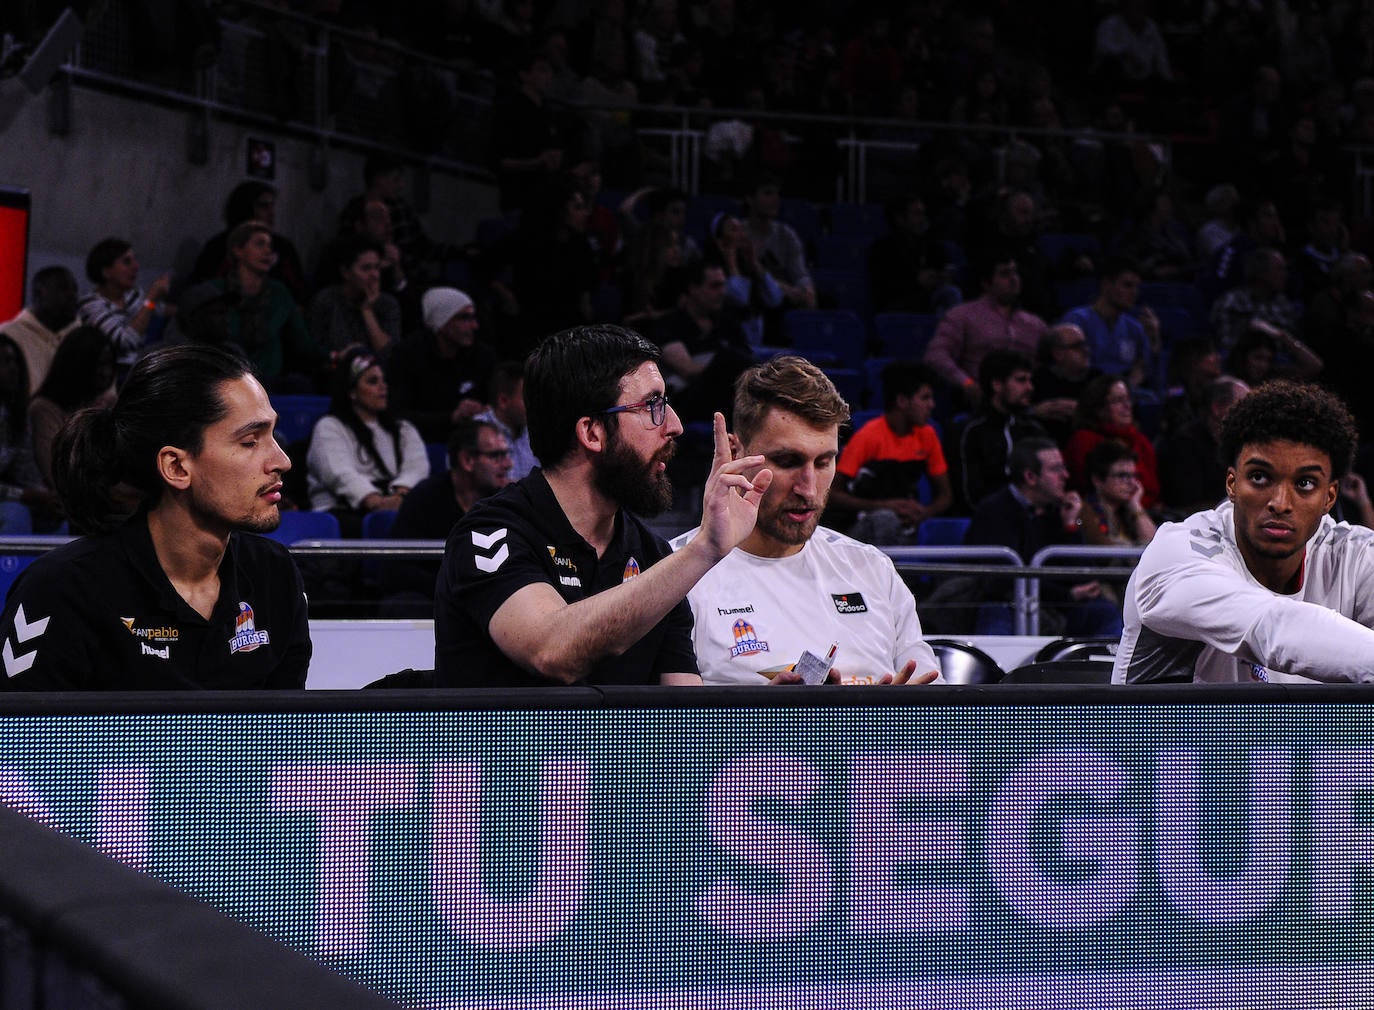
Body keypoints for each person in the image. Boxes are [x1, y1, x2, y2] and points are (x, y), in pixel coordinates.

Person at [433, 323, 773, 688]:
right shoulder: (489, 534)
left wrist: (766, 707)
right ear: (592, 432)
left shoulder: (652, 556)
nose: (675, 425)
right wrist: (704, 548)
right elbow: (552, 652)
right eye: (653, 405)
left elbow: (683, 718)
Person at [0, 345, 311, 689]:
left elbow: (284, 737)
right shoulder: (59, 590)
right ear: (176, 466)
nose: (282, 461)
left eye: (273, 434)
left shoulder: (275, 575)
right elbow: (20, 740)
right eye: (250, 441)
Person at [671, 356, 940, 685]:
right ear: (735, 451)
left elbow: (932, 706)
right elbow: (658, 729)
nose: (808, 488)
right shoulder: (675, 576)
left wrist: (894, 718)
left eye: (824, 461)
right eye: (788, 460)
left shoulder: (872, 569)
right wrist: (772, 723)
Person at [1114, 381, 1374, 683]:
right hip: (1168, 730)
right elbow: (1273, 628)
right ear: (1232, 484)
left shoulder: (1356, 555)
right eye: (1260, 477)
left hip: (1291, 729)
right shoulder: (1178, 554)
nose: (1280, 503)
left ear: (1329, 497)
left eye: (1305, 483)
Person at [964, 436, 1122, 638]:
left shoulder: (1058, 510)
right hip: (1006, 603)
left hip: (1053, 604)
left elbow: (1083, 576)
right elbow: (1000, 582)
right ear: (1031, 477)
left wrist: (1071, 525)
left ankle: (1102, 669)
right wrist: (1067, 595)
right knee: (997, 613)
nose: (1065, 475)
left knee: (1104, 612)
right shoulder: (994, 511)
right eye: (1056, 469)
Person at [176, 222, 327, 392]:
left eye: (270, 246)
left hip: (268, 382)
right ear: (238, 250)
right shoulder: (215, 292)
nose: (268, 251)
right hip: (227, 380)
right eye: (259, 244)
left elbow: (304, 343)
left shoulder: (279, 292)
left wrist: (335, 355)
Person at [380, 419, 513, 605]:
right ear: (467, 460)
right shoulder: (425, 498)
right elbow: (398, 569)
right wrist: (456, 589)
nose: (508, 464)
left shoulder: (509, 502)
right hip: (436, 600)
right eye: (496, 455)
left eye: (507, 454)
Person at [306, 347, 429, 536]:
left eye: (384, 381)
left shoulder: (403, 429)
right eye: (372, 381)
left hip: (396, 506)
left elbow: (417, 466)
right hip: (343, 514)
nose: (383, 387)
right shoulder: (329, 427)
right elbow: (339, 473)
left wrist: (401, 495)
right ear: (352, 391)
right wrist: (374, 501)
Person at [830, 360, 952, 544]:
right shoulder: (868, 436)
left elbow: (945, 496)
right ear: (902, 401)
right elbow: (832, 495)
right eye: (925, 398)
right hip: (864, 526)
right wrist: (882, 507)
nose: (932, 405)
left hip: (908, 524)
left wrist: (923, 513)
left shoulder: (928, 435)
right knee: (885, 520)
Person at [923, 254, 1048, 408]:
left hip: (1027, 400)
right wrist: (967, 383)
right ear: (986, 283)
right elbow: (936, 356)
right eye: (1004, 274)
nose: (1014, 279)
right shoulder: (962, 316)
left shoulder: (1035, 324)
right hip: (981, 401)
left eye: (1015, 273)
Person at [387, 287, 497, 443]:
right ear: (442, 322)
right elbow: (397, 415)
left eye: (474, 317)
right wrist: (451, 417)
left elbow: (497, 403)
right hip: (421, 443)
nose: (475, 325)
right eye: (465, 318)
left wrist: (485, 411)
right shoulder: (406, 355)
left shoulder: (483, 355)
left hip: (475, 443)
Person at [944, 349, 1048, 513]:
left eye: (1030, 380)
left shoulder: (1033, 430)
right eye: (1021, 380)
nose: (1030, 387)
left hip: (1034, 519)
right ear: (997, 385)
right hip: (989, 525)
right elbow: (968, 497)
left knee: (1078, 520)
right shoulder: (969, 432)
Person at [28, 325, 117, 488]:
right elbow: (54, 473)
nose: (105, 373)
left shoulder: (110, 403)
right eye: (99, 366)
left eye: (109, 365)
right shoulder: (44, 409)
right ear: (77, 366)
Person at [1057, 257, 1159, 388]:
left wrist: (1154, 340)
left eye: (1136, 287)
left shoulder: (1135, 328)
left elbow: (1145, 372)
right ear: (1106, 285)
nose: (1134, 293)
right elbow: (1068, 370)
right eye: (1127, 285)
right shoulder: (1076, 320)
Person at [1064, 374, 1161, 509]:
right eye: (1118, 400)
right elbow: (1086, 489)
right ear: (1098, 408)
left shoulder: (1141, 441)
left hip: (1144, 513)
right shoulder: (1084, 441)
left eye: (1128, 399)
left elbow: (1154, 492)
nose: (1127, 405)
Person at [78, 237, 173, 373]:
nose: (135, 266)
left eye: (134, 260)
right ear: (106, 272)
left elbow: (156, 309)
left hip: (139, 368)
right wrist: (152, 296)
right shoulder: (90, 305)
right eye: (127, 262)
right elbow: (126, 342)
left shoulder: (131, 295)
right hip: (111, 373)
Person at [309, 234, 402, 358]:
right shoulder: (327, 300)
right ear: (346, 273)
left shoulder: (388, 304)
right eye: (366, 268)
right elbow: (314, 351)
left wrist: (367, 310)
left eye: (377, 268)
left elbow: (389, 354)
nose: (375, 275)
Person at [0, 265, 80, 394]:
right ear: (38, 293)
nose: (73, 295)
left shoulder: (84, 339)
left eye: (75, 289)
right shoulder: (8, 336)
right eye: (63, 288)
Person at [1082, 439, 1157, 548]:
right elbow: (1109, 555)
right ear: (1097, 480)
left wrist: (1136, 505)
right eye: (1122, 476)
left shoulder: (1128, 511)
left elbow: (1155, 546)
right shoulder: (1085, 511)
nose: (1132, 483)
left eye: (1134, 476)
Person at [474, 360, 537, 481]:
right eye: (527, 399)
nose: (534, 405)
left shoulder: (533, 428)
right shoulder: (476, 430)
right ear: (503, 401)